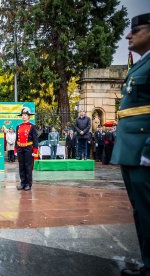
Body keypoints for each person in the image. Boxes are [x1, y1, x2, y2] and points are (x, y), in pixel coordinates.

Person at [110, 13, 150, 276]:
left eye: (136, 30)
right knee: (141, 210)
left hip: (143, 150)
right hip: (131, 150)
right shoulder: (141, 64)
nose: (128, 35)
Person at [14, 107, 38, 191]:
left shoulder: (32, 126)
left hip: (28, 148)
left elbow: (35, 139)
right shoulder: (18, 126)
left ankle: (28, 184)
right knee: (21, 166)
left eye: (25, 115)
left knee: (28, 166)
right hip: (20, 148)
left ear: (29, 116)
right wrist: (15, 149)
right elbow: (16, 139)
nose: (23, 116)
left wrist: (35, 150)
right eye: (22, 115)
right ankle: (22, 183)